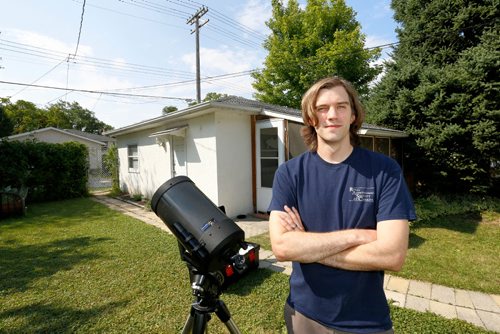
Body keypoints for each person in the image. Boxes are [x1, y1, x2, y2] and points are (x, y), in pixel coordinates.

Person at [268, 76, 416, 334]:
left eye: (341, 106)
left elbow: (392, 255)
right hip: (304, 315)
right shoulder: (290, 174)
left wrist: (308, 247)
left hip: (366, 322)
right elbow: (282, 247)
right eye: (322, 109)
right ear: (311, 118)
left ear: (353, 115)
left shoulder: (384, 171)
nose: (332, 115)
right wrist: (357, 235)